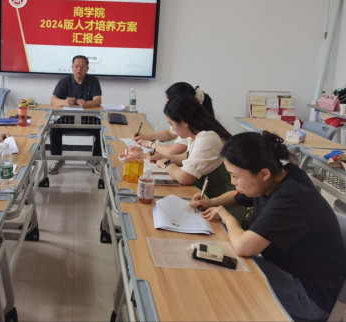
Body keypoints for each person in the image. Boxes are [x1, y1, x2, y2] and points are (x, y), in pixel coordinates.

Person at [191, 131, 346, 321]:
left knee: (224, 282)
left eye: (234, 176)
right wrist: (210, 202)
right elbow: (238, 196)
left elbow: (243, 247)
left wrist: (226, 216)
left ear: (263, 174)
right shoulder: (277, 175)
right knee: (216, 265)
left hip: (311, 296)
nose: (233, 182)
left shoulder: (290, 197)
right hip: (288, 271)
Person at [49, 55, 102, 175]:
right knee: (54, 129)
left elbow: (98, 100)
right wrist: (65, 102)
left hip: (88, 119)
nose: (79, 69)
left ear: (87, 69)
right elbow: (53, 99)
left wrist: (87, 103)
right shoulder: (64, 81)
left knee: (102, 129)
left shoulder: (93, 80)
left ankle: (94, 160)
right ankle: (57, 159)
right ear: (72, 67)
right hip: (68, 118)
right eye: (76, 66)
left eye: (82, 66)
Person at [133, 83, 213, 159]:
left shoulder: (191, 129)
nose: (168, 108)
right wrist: (146, 137)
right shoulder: (187, 122)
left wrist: (150, 144)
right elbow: (170, 133)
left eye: (169, 104)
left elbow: (171, 152)